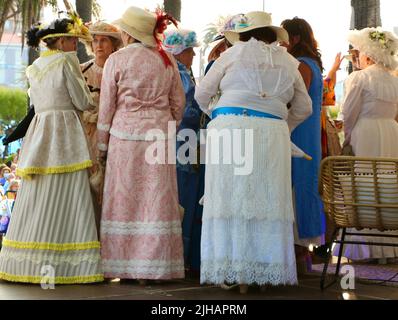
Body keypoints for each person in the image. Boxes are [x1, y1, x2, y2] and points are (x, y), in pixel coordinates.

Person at [195, 11, 312, 293]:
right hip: (271, 133)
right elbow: (304, 107)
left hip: (231, 129)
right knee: (265, 197)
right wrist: (282, 125)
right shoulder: (288, 61)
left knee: (230, 196)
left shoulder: (231, 55)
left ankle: (234, 270)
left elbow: (202, 94)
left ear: (244, 34)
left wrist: (220, 115)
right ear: (273, 35)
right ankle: (262, 270)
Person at [0, 14, 103, 284]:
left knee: (37, 190)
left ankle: (28, 263)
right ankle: (68, 265)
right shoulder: (67, 62)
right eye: (73, 40)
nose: (76, 46)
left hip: (40, 129)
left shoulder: (35, 66)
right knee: (70, 189)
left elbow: (36, 100)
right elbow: (81, 101)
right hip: (64, 129)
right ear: (61, 40)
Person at [98, 6, 186, 283]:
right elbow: (179, 104)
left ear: (127, 34)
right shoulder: (167, 60)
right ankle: (153, 268)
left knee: (124, 202)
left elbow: (106, 107)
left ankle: (123, 266)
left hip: (124, 138)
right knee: (155, 202)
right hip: (158, 138)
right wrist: (165, 123)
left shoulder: (117, 60)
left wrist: (102, 146)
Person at [336, 27, 398, 263]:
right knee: (388, 186)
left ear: (369, 54)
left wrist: (348, 137)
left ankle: (365, 249)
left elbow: (349, 113)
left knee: (364, 185)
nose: (358, 55)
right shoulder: (394, 80)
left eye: (359, 51)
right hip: (391, 131)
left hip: (366, 131)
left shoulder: (359, 78)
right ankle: (389, 248)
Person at [280, 17, 324, 271]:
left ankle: (298, 248)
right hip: (307, 132)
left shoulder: (301, 65)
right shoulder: (311, 63)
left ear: (295, 39)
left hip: (299, 132)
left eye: (285, 38)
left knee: (298, 182)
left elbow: (295, 100)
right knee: (302, 181)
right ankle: (300, 248)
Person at [163, 29, 203, 275]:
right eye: (189, 50)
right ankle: (181, 255)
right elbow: (186, 110)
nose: (193, 54)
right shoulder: (179, 75)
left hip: (185, 141)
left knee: (186, 195)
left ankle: (183, 255)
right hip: (183, 142)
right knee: (183, 196)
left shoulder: (182, 73)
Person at [80, 21, 122, 226]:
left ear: (114, 44)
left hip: (113, 138)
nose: (98, 45)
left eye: (104, 40)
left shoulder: (120, 71)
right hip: (84, 137)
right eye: (95, 40)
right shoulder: (81, 70)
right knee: (86, 188)